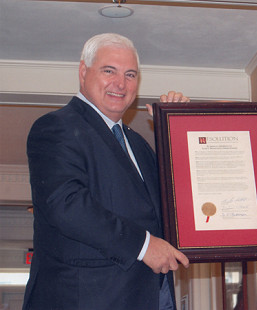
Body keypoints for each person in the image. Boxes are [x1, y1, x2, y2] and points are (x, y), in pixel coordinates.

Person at [23, 33, 190, 310]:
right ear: (83, 71)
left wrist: (179, 130)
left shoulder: (138, 144)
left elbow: (172, 207)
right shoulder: (55, 127)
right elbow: (67, 205)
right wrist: (144, 245)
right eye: (109, 70)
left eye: (130, 74)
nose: (120, 84)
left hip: (150, 297)